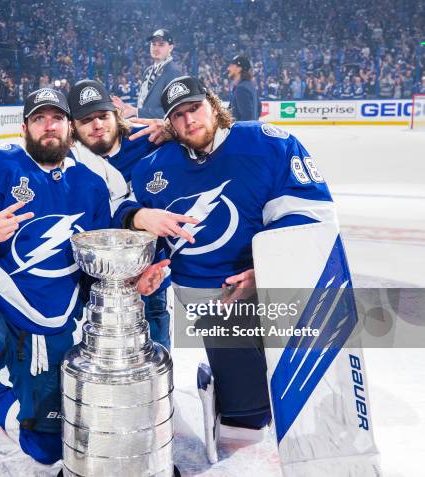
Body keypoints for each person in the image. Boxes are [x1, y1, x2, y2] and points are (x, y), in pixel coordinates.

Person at [0, 88, 167, 475]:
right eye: (39, 119)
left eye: (56, 118)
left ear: (69, 129)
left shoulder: (91, 184)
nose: (48, 127)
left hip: (54, 321)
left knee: (48, 449)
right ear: (24, 127)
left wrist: (133, 282)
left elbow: (95, 266)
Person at [117, 76, 337, 452]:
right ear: (169, 123)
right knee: (247, 420)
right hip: (206, 294)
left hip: (269, 283)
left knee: (286, 384)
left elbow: (310, 215)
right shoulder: (153, 167)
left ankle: (224, 386)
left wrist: (267, 270)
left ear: (213, 105)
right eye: (178, 115)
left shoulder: (268, 144)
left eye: (195, 109)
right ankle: (236, 402)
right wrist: (140, 225)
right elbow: (122, 209)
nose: (189, 121)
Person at [68, 79, 193, 350]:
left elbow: (203, 146)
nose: (98, 124)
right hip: (98, 277)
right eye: (87, 120)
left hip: (151, 272)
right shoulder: (68, 159)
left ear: (115, 113)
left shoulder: (147, 139)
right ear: (73, 128)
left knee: (155, 351)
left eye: (103, 115)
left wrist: (173, 130)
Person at [112, 28, 182, 119]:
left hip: (161, 131)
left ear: (171, 47)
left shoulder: (173, 72)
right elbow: (146, 104)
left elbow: (173, 111)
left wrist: (136, 111)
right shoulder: (148, 71)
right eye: (153, 44)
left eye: (161, 44)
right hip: (146, 127)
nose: (156, 48)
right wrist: (126, 107)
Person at [227, 55, 261, 121]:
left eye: (231, 66)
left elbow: (247, 117)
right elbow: (259, 109)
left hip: (243, 131)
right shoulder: (249, 86)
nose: (228, 68)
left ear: (239, 68)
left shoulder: (242, 89)